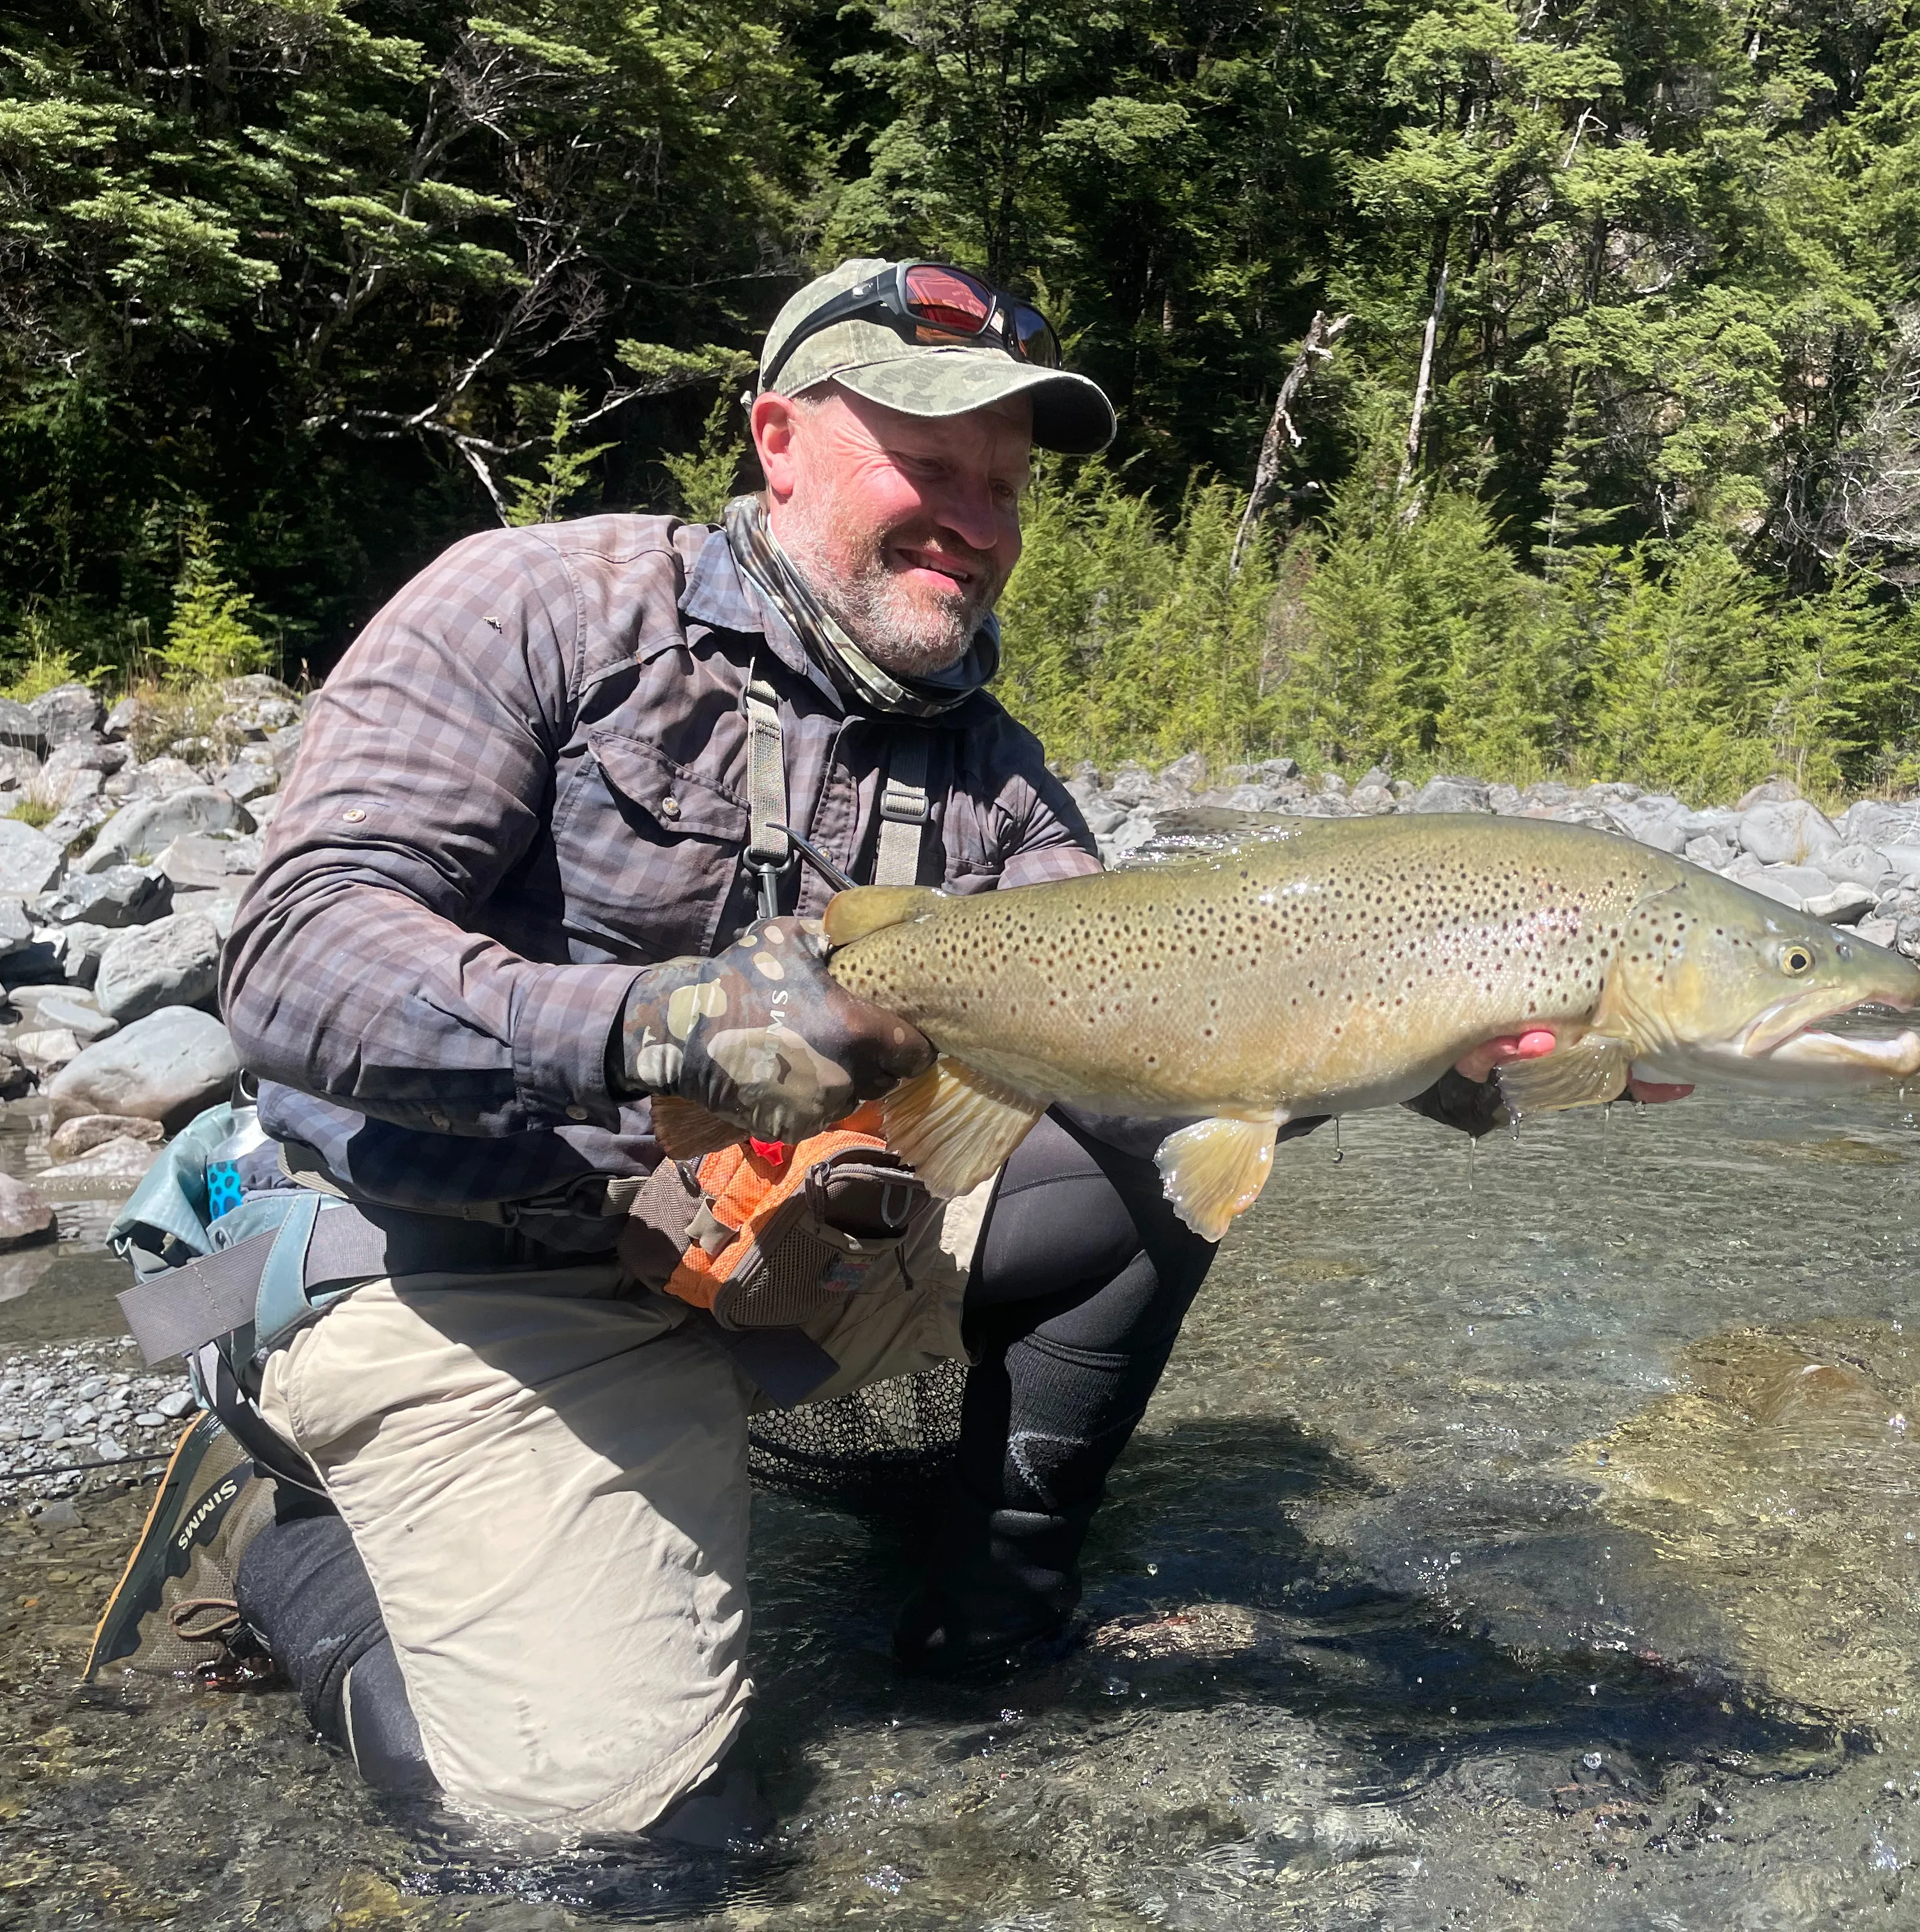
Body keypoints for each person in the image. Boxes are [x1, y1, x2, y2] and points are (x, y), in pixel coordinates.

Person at [97, 257, 1685, 1844]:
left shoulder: (985, 764)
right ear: (776, 439)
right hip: (473, 1272)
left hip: (768, 1250)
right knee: (597, 1831)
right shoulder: (538, 606)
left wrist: (1422, 1052)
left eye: (1005, 483)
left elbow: (1169, 1030)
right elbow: (295, 959)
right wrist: (657, 1027)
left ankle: (992, 1598)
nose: (977, 520)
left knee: (1159, 1166)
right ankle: (302, 1545)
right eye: (927, 465)